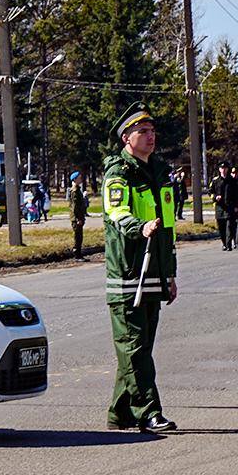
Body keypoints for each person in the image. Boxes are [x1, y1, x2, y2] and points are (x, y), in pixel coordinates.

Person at [102, 103, 179, 432]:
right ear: (126, 138)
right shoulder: (117, 173)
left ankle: (119, 413)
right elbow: (116, 214)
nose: (151, 137)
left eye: (152, 131)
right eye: (142, 132)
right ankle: (149, 412)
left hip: (155, 271)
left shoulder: (160, 171)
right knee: (134, 348)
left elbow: (170, 228)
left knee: (139, 349)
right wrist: (140, 227)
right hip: (129, 272)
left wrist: (171, 274)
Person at [67, 171, 87, 258]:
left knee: (80, 236)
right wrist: (78, 218)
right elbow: (74, 207)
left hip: (79, 216)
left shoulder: (77, 189)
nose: (81, 179)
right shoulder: (75, 191)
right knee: (78, 236)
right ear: (75, 179)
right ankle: (77, 254)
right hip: (76, 218)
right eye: (79, 178)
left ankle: (78, 253)